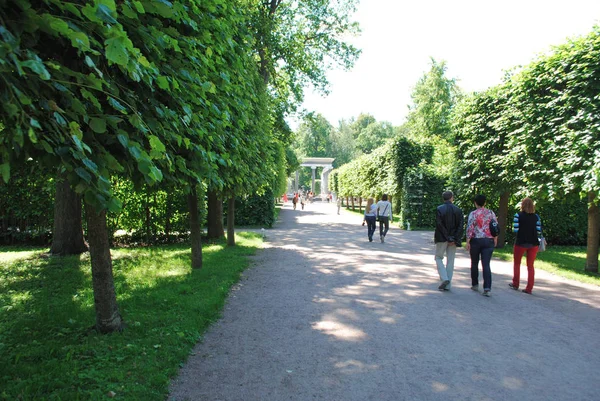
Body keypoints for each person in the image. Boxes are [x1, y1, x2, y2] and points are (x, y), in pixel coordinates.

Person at [465, 194, 498, 297]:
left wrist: (467, 241)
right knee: (486, 264)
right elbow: (495, 226)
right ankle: (487, 288)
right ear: (485, 203)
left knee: (474, 262)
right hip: (488, 240)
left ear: (475, 203)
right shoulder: (491, 213)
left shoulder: (473, 214)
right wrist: (495, 238)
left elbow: (470, 227)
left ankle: (475, 284)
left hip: (476, 240)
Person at [510, 197, 542, 294]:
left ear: (522, 205)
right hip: (533, 243)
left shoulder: (517, 216)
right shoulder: (536, 217)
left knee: (517, 263)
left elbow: (515, 230)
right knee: (530, 266)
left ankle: (515, 283)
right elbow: (539, 231)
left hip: (521, 242)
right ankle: (529, 288)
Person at [434, 191, 464, 291]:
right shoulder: (458, 210)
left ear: (443, 198)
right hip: (453, 239)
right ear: (451, 198)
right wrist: (454, 238)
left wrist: (447, 237)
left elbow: (439, 224)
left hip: (442, 238)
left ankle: (444, 278)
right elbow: (460, 226)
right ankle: (448, 284)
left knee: (438, 257)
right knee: (450, 260)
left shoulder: (439, 209)